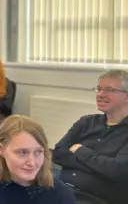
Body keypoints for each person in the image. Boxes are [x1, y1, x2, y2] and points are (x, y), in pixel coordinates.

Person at [0, 115, 76, 204]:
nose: (32, 162)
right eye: (23, 152)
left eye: (38, 152)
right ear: (1, 149)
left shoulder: (60, 194)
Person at [52, 69, 128, 204]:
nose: (100, 94)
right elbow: (58, 153)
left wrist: (80, 151)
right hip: (60, 186)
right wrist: (98, 166)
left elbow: (116, 170)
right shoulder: (86, 122)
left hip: (93, 198)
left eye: (109, 90)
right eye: (99, 89)